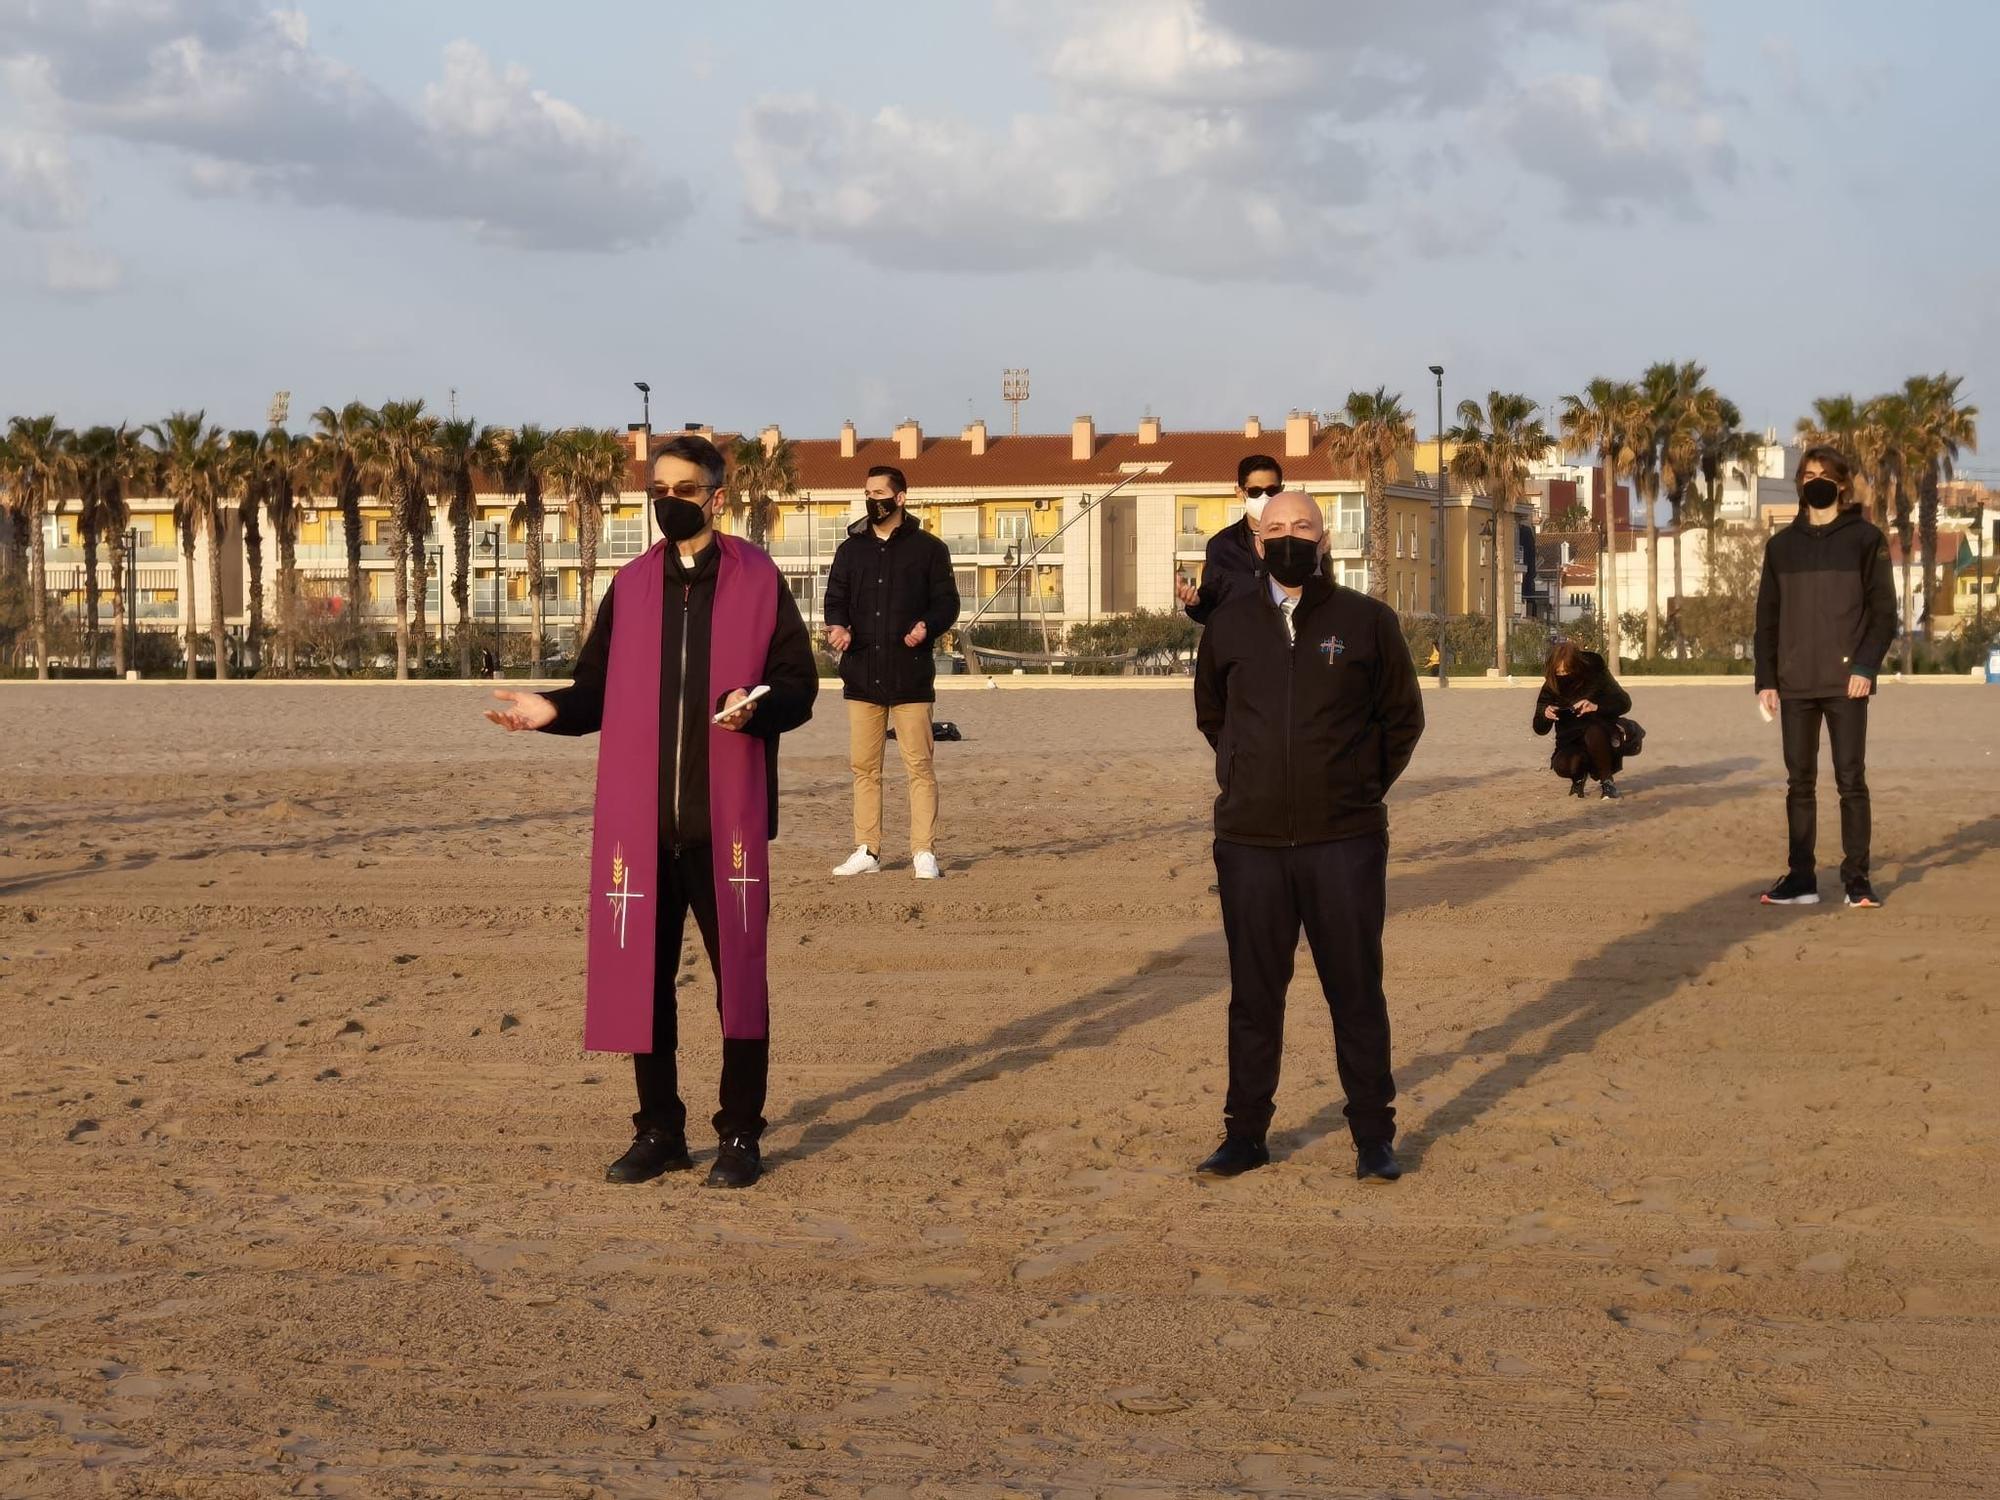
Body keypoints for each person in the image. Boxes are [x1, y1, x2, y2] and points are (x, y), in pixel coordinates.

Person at [483, 434, 818, 1190]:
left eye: (685, 489)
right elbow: (595, 692)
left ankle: (739, 1135)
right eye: (658, 488)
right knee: (643, 979)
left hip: (722, 824)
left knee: (741, 980)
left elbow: (797, 685)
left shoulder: (759, 580)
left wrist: (756, 709)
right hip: (641, 828)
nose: (669, 501)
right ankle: (659, 1129)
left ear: (715, 498)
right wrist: (550, 711)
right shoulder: (631, 587)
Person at [1192, 490, 1425, 1182]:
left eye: (1303, 526)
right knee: (1254, 996)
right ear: (1257, 544)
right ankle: (1245, 1135)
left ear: (1325, 541)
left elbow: (1402, 720)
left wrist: (1353, 789)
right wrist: (1246, 774)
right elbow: (1214, 716)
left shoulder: (1368, 621)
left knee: (1355, 991)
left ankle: (1372, 1139)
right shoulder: (1228, 626)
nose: (1289, 536)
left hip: (1344, 841)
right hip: (1250, 843)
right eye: (1275, 529)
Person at [1754, 445, 1898, 908]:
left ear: (1841, 484)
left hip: (1846, 684)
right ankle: (1801, 879)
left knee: (1851, 780)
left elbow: (1884, 613)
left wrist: (1865, 667)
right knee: (1799, 783)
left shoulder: (1865, 539)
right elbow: (1767, 620)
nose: (1814, 480)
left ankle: (1857, 881)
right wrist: (1766, 679)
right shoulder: (1780, 547)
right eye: (1807, 473)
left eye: (1823, 474)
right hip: (1794, 683)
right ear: (1800, 483)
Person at [823, 464, 960, 880]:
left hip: (911, 677)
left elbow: (946, 603)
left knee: (919, 766)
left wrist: (927, 627)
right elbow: (836, 598)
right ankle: (867, 849)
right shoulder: (850, 550)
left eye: (879, 493)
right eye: (867, 493)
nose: (872, 500)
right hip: (861, 675)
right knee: (864, 768)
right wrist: (838, 627)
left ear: (900, 497)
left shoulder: (929, 549)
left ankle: (923, 852)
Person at [1176, 454, 1288, 624]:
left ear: (1281, 490)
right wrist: (1194, 603)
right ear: (1240, 492)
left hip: (1287, 644)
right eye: (1255, 492)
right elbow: (1210, 606)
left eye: (1272, 491)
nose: (1264, 498)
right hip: (1239, 645)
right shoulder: (1221, 545)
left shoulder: (1299, 539)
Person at [1532, 639, 1634, 800]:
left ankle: (1607, 782)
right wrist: (1545, 715)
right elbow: (1539, 728)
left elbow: (1624, 703)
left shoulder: (1595, 673)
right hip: (1570, 740)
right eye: (1559, 673)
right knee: (1564, 765)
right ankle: (1579, 778)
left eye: (1567, 672)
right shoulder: (1551, 686)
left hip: (1603, 735)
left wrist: (1596, 707)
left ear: (1577, 666)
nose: (1563, 676)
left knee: (1593, 732)